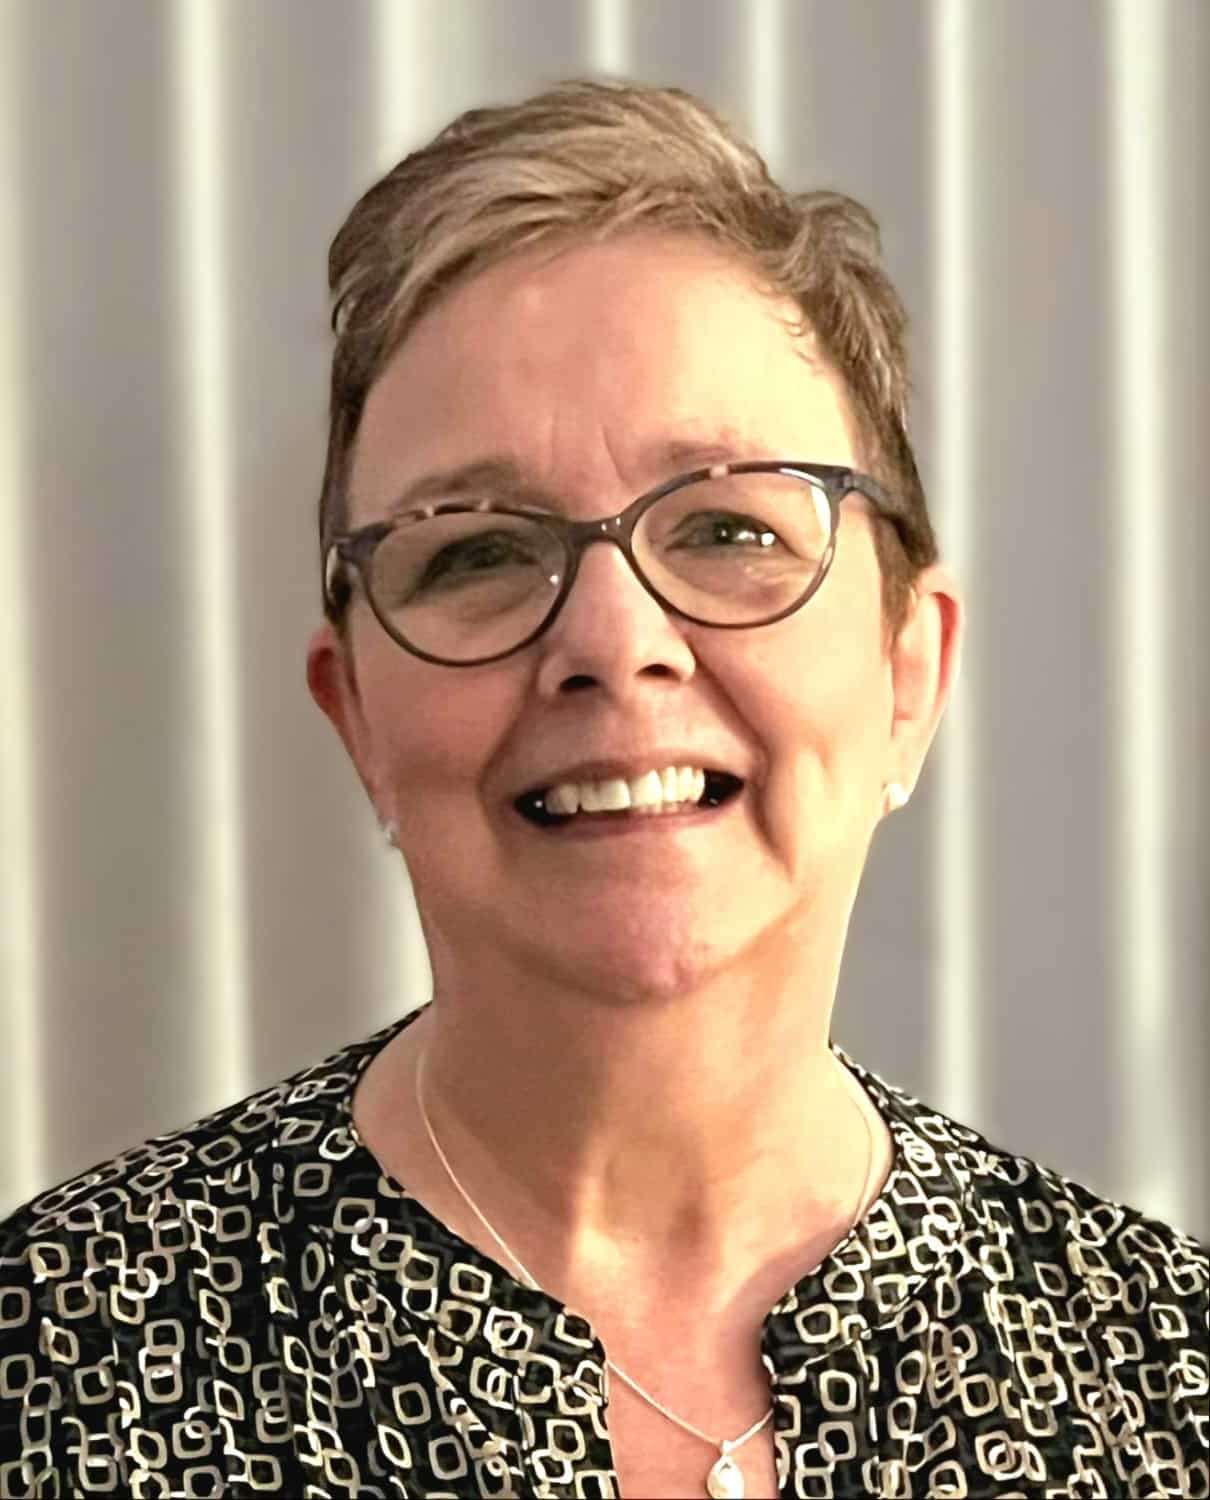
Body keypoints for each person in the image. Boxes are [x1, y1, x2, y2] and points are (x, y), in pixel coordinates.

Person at [2, 77, 1205, 1500]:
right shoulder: (50, 1364)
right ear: (357, 718)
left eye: (729, 529)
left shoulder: (1166, 1378)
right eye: (476, 551)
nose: (613, 641)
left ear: (908, 673)